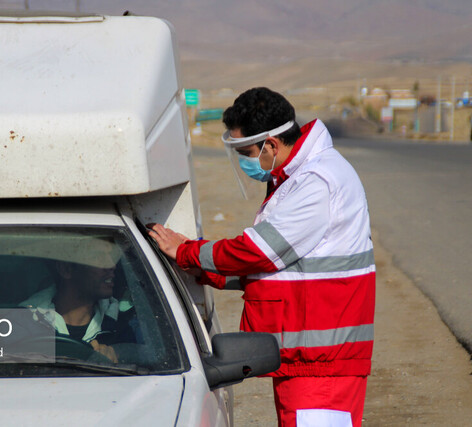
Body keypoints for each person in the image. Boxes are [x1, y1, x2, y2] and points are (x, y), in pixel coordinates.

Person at [149, 87, 375, 427]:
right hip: (307, 359)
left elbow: (256, 252)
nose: (244, 162)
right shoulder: (297, 177)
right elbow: (284, 268)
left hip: (322, 366)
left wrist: (186, 252)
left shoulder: (316, 182)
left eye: (246, 152)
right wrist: (204, 270)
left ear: (270, 144)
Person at [20, 236, 136, 363]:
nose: (112, 265)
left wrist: (114, 366)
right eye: (98, 257)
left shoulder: (120, 328)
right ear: (66, 269)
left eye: (111, 257)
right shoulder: (22, 324)